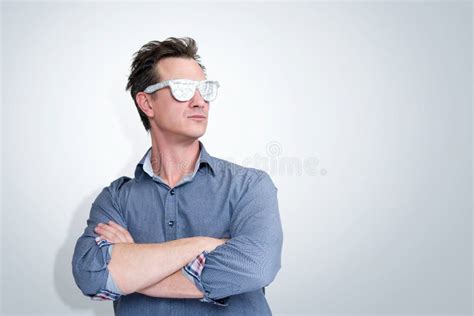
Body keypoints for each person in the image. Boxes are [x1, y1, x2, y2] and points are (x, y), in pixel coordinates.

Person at [71, 36, 284, 315]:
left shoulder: (250, 186)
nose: (199, 102)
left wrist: (132, 271)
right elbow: (90, 275)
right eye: (183, 89)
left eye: (205, 89)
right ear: (147, 104)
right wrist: (203, 245)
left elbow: (255, 267)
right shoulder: (116, 200)